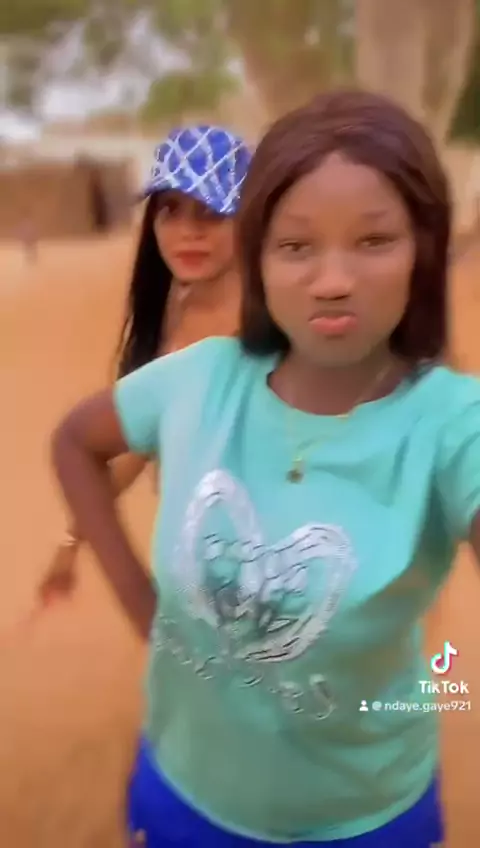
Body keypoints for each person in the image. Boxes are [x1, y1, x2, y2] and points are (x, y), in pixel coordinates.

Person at [49, 89, 478, 846]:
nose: (332, 279)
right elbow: (90, 443)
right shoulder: (195, 366)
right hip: (183, 791)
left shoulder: (450, 421)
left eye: (374, 239)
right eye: (297, 246)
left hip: (362, 809)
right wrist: (129, 591)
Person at [40, 125, 251, 603]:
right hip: (194, 573)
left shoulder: (275, 328)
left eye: (211, 210)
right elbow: (137, 442)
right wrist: (72, 542)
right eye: (170, 210)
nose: (188, 232)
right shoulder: (179, 309)